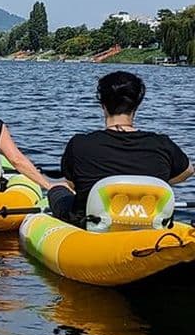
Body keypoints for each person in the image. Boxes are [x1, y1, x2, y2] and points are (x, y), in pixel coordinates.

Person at [49, 70, 193, 227]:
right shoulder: (163, 144)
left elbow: (72, 184)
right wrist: (154, 182)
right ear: (137, 104)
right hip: (147, 222)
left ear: (103, 105)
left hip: (90, 225)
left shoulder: (79, 144)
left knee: (58, 190)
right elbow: (188, 171)